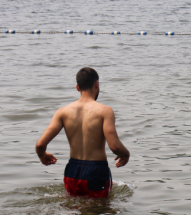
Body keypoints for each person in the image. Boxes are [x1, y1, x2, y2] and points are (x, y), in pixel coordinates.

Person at [35, 67, 130, 198]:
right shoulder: (104, 111)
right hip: (96, 172)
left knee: (73, 211)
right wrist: (126, 154)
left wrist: (42, 155)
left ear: (77, 87)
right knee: (99, 213)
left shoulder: (63, 111)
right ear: (96, 84)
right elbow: (114, 146)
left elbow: (40, 145)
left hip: (72, 171)